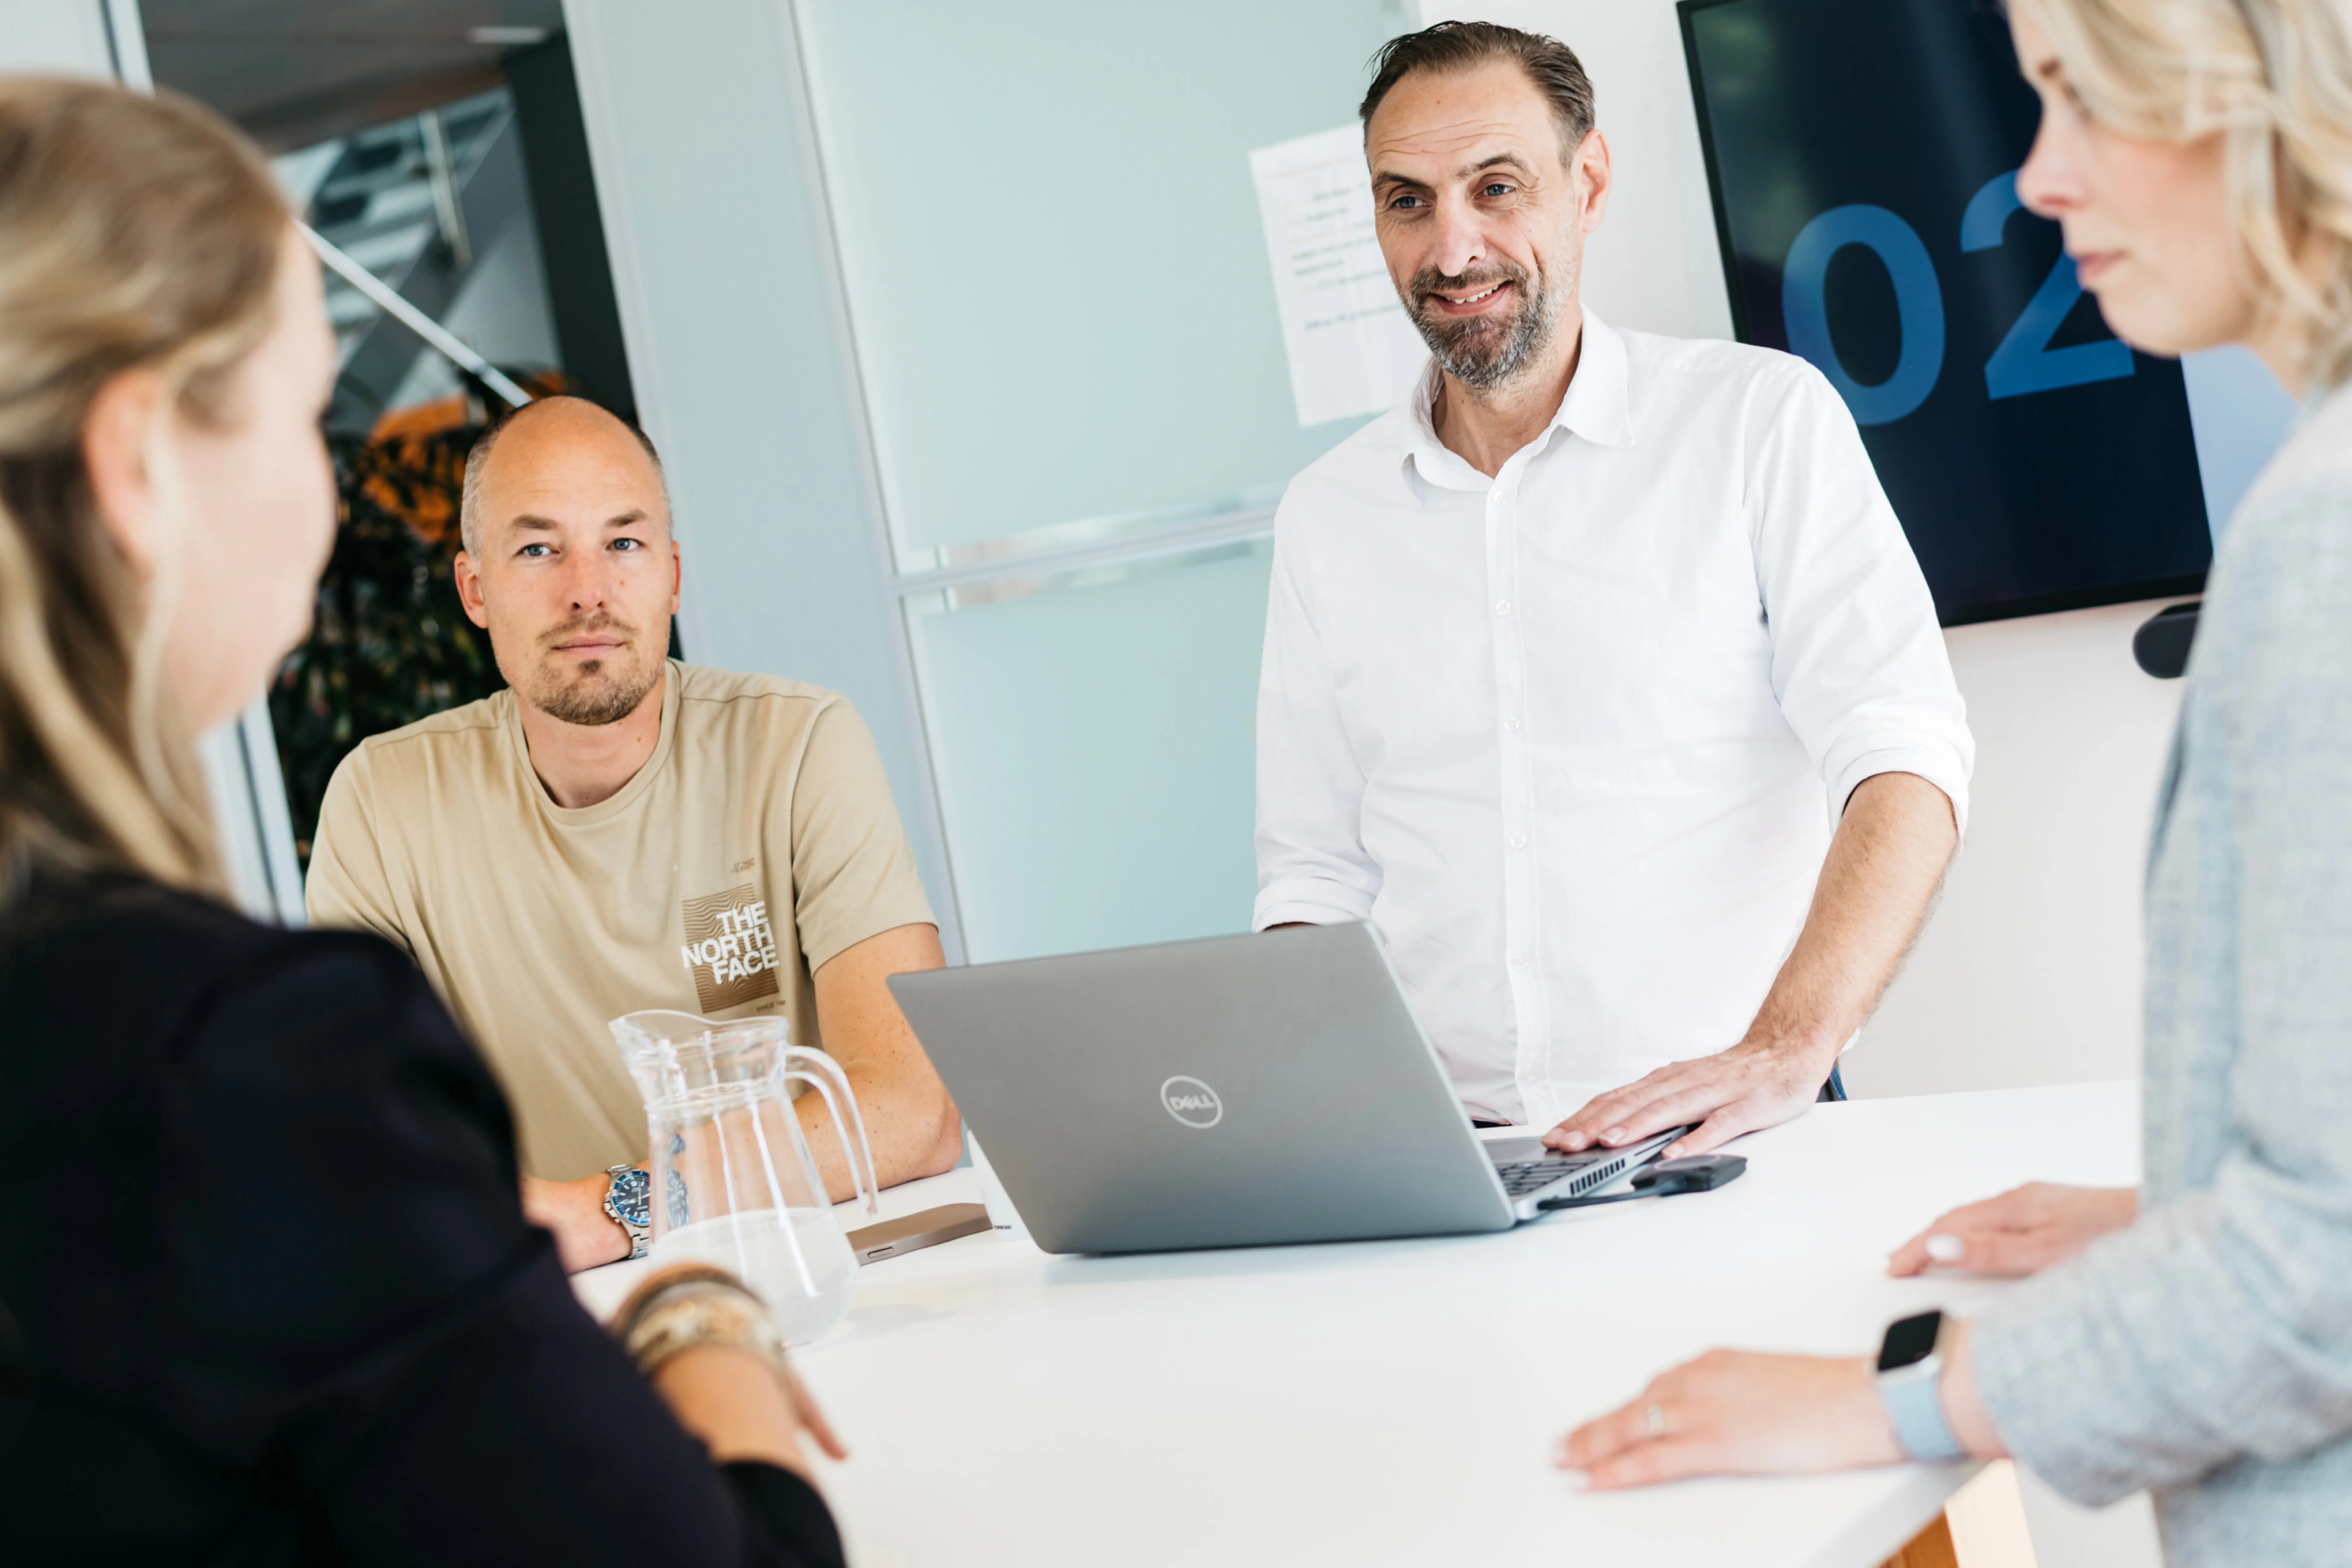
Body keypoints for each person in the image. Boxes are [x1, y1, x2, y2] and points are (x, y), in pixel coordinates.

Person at [0, 79, 857, 1565]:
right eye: (298, 414)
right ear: (141, 468)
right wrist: (695, 1320)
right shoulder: (241, 1062)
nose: (329, 503)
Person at [1559, 0, 2352, 1559]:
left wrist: (1883, 1403)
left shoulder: (2319, 545)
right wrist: (2167, 1217)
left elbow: (2313, 1277)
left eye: (2078, 97)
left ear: (2263, 84)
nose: (2038, 178)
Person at [1253, 21, 1973, 1156]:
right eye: (1407, 201)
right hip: (1451, 1161)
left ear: (1586, 181)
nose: (1452, 250)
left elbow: (1903, 756)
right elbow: (1312, 872)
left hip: (1728, 1139)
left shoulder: (1756, 424)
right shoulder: (1326, 515)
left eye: (1496, 188)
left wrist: (1788, 1048)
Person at [304, 395, 961, 1271]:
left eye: (624, 543)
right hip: (572, 1322)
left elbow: (913, 1112)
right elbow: (356, 1146)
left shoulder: (799, 745)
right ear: (474, 589)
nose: (588, 591)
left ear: (673, 575)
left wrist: (621, 1208)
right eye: (538, 548)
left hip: (813, 1273)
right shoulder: (382, 805)